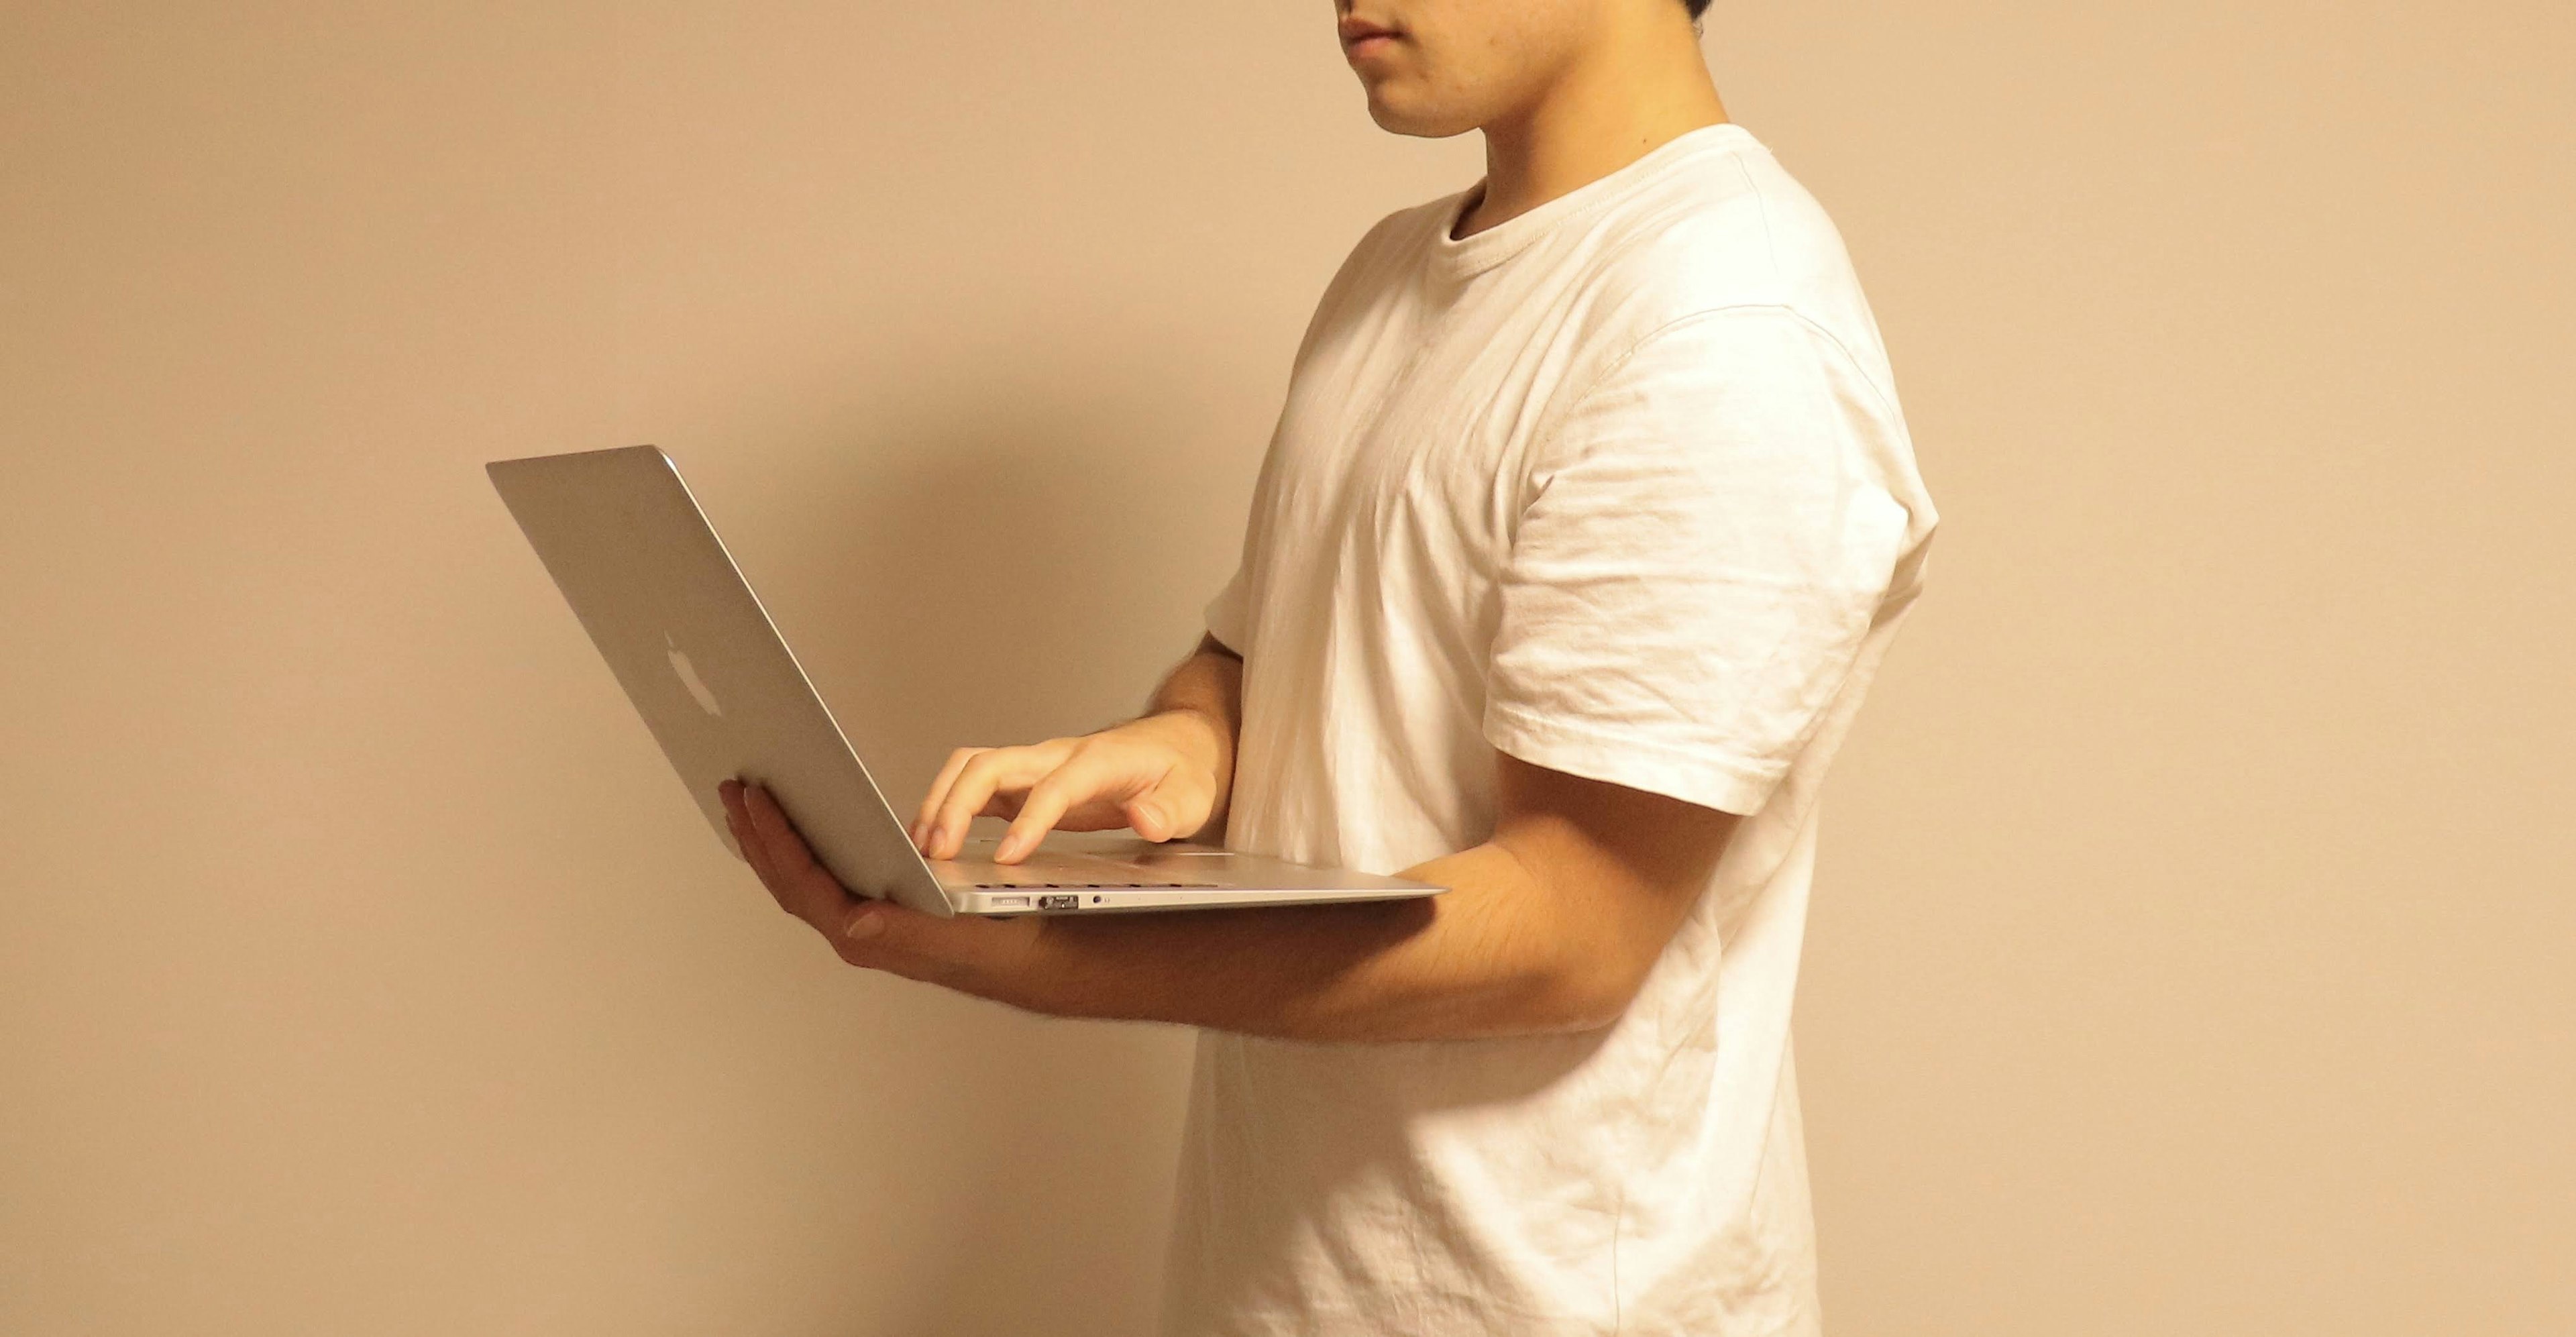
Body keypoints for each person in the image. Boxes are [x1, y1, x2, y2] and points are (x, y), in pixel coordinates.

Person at [719, 0, 1938, 1330]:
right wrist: (1190, 743)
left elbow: (1572, 931)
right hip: (1287, 1283)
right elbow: (1256, 659)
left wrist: (1025, 960)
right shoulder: (1393, 272)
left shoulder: (1721, 327)